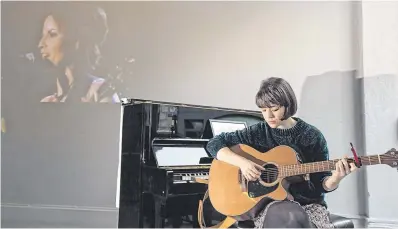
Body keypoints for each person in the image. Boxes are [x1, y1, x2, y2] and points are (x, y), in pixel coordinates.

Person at [205, 77, 358, 228]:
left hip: (309, 206)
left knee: (294, 216)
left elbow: (321, 185)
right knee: (288, 214)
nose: (268, 116)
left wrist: (336, 178)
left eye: (275, 109)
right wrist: (243, 163)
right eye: (263, 110)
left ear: (287, 105)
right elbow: (214, 143)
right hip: (269, 206)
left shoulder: (312, 136)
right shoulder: (258, 132)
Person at [37, 3, 125, 103]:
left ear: (76, 40)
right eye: (42, 35)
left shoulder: (102, 94)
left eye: (52, 34)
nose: (41, 44)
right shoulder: (48, 100)